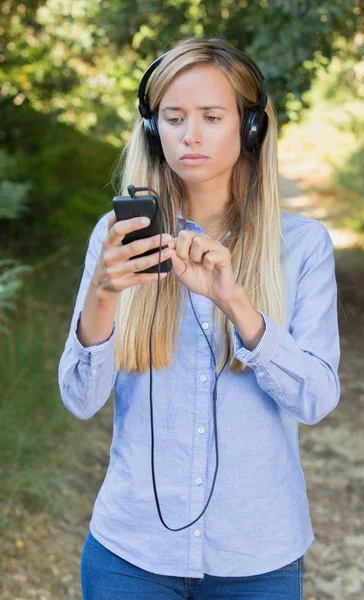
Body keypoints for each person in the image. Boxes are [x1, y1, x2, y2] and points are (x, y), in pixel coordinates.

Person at [58, 37, 340, 600]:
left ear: (251, 129)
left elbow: (316, 400)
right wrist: (103, 294)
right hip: (129, 557)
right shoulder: (117, 240)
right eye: (174, 117)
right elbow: (80, 399)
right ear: (151, 130)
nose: (190, 135)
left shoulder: (303, 246)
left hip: (258, 558)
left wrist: (236, 303)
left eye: (212, 117)